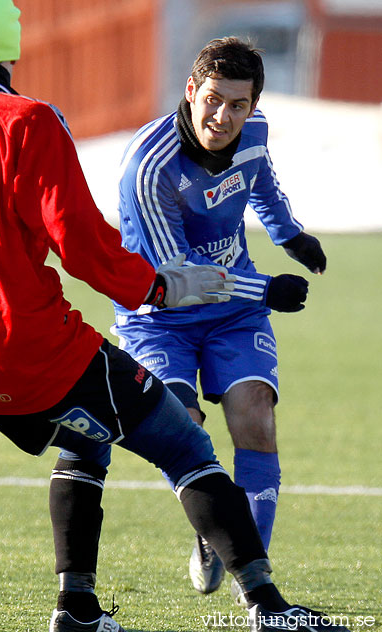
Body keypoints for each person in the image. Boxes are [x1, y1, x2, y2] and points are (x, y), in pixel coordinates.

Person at [0, 4, 346, 631]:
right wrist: (155, 288)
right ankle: (268, 607)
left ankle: (78, 609)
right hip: (34, 344)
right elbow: (82, 242)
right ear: (12, 47)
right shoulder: (29, 120)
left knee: (85, 440)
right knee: (186, 444)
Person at [113, 36, 328, 605]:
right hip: (159, 314)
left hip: (233, 312)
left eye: (238, 105)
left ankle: (249, 571)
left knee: (255, 415)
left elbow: (260, 184)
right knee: (182, 428)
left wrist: (291, 236)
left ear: (254, 106)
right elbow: (177, 273)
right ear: (190, 91)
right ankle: (215, 525)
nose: (223, 116)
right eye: (213, 99)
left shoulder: (251, 135)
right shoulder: (149, 167)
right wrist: (267, 288)